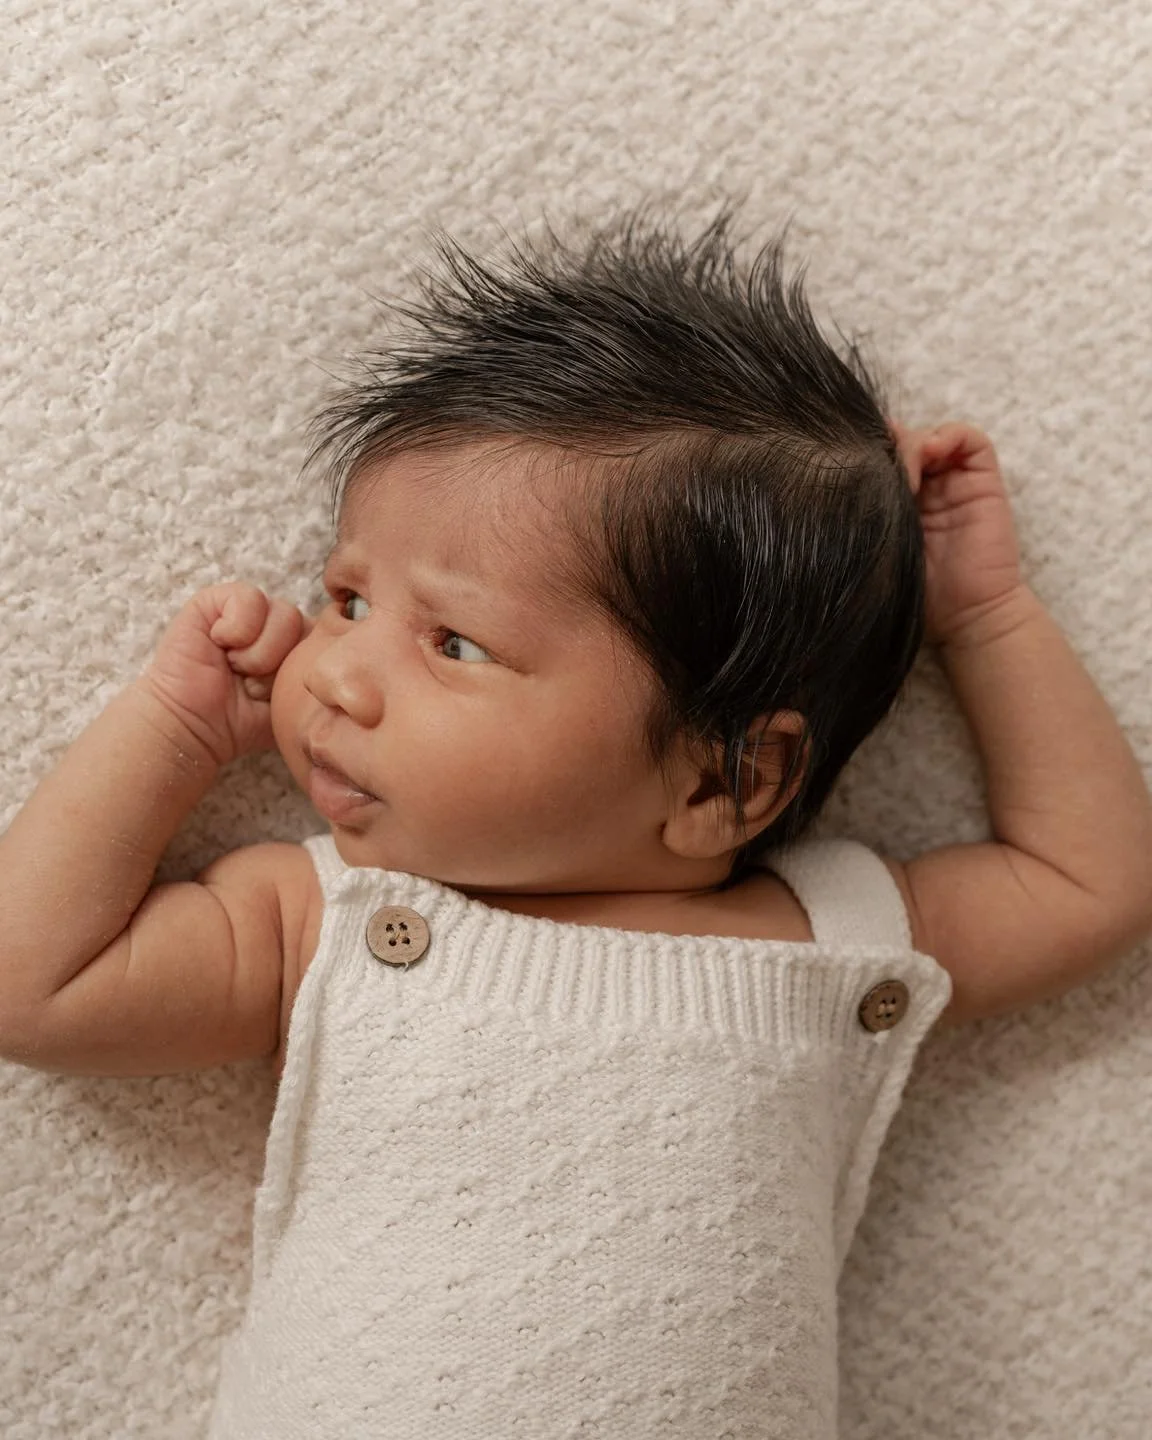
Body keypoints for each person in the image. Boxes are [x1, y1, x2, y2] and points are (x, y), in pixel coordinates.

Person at [1, 208, 1149, 1439]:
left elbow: (1091, 878)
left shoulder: (833, 934)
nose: (336, 672)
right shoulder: (331, 919)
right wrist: (173, 731)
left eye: (452, 641)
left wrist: (984, 618)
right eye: (344, 597)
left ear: (726, 785)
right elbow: (37, 984)